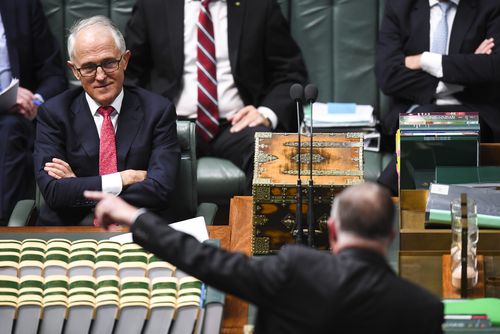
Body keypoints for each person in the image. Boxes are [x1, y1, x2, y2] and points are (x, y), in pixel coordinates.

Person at [85, 182, 444, 334]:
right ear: (391, 237)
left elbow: (203, 261)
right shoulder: (423, 309)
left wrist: (135, 217)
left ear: (332, 231)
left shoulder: (296, 268)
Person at [124, 0, 308, 193]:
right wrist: (149, 117)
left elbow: (290, 73)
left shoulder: (259, 5)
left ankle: (255, 223)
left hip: (237, 122)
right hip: (173, 123)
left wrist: (266, 113)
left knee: (268, 151)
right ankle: (153, 223)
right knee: (143, 153)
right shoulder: (152, 6)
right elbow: (128, 73)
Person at [33, 16, 180, 226]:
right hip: (70, 229)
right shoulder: (53, 113)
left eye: (109, 63)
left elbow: (160, 189)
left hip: (136, 228)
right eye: (89, 67)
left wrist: (78, 187)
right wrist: (123, 179)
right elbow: (54, 192)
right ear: (74, 70)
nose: (100, 76)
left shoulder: (158, 110)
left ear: (125, 60)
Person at [375, 0, 500, 194]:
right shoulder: (400, 6)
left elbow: (493, 67)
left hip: (474, 116)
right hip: (411, 116)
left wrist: (425, 60)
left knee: (429, 118)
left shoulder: (490, 6)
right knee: (426, 118)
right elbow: (388, 75)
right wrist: (464, 73)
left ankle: (381, 194)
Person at [0, 0, 67, 225]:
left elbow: (54, 75)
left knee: (12, 128)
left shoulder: (21, 5)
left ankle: (8, 230)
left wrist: (35, 103)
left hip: (18, 120)